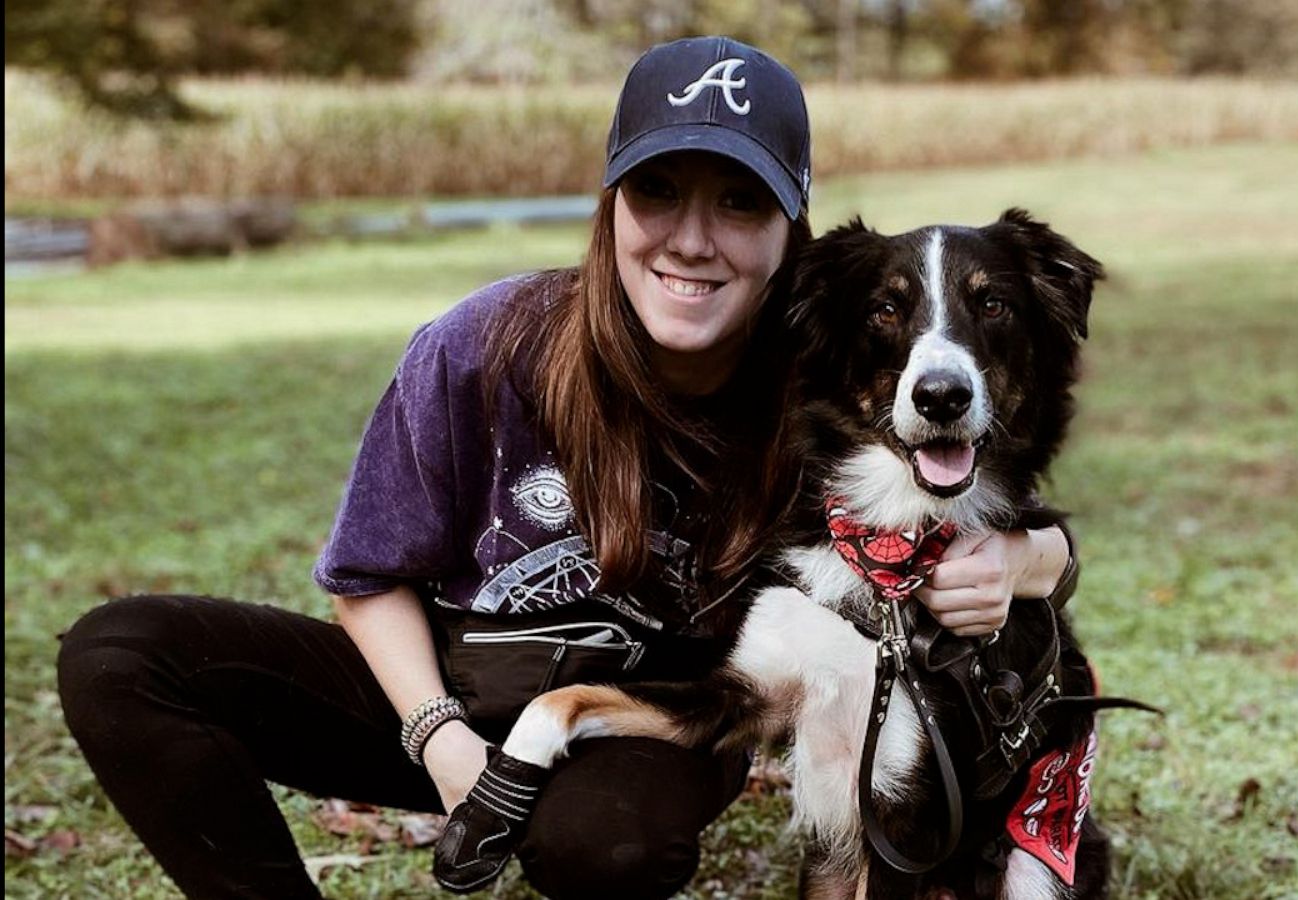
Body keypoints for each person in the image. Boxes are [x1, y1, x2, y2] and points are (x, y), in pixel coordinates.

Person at [55, 35, 1074, 899]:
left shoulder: (831, 375)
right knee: (120, 654)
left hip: (647, 726)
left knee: (608, 843)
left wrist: (1027, 560)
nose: (690, 239)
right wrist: (449, 750)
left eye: (738, 203)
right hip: (446, 688)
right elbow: (366, 580)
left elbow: (985, 514)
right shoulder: (484, 341)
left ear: (789, 226)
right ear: (611, 202)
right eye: (658, 191)